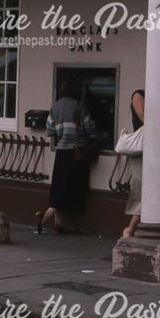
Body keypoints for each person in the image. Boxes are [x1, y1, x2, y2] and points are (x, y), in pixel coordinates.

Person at [38, 76, 96, 234]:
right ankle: (49, 214)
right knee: (72, 187)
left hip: (61, 152)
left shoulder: (55, 107)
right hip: (76, 153)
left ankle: (59, 223)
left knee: (59, 184)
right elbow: (90, 128)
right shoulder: (80, 106)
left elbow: (50, 131)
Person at [122, 89, 146, 239]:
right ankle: (130, 229)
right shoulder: (139, 95)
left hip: (152, 148)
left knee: (148, 190)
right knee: (142, 189)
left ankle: (131, 229)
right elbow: (143, 118)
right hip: (141, 149)